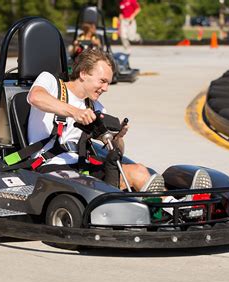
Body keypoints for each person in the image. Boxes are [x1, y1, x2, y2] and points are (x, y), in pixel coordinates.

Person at [27, 48, 159, 192]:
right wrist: (75, 112)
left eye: (108, 83)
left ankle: (169, 207)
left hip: (84, 167)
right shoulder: (51, 82)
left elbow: (116, 153)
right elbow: (35, 97)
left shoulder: (96, 107)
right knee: (87, 185)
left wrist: (117, 138)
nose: (106, 88)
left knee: (139, 171)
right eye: (102, 81)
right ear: (83, 73)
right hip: (52, 166)